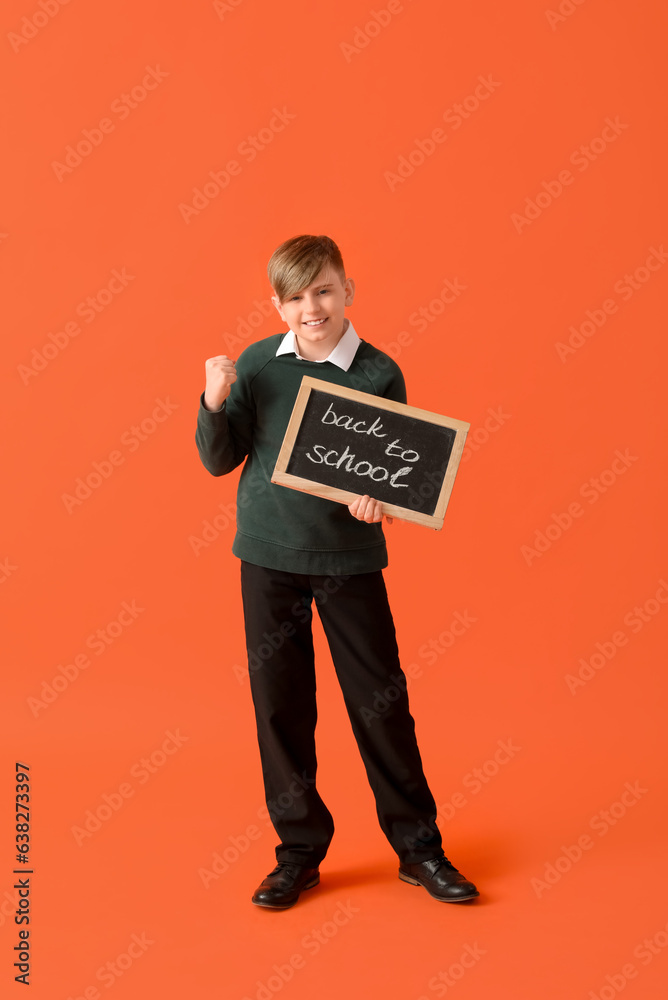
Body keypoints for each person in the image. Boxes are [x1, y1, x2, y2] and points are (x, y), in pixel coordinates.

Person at [195, 234, 478, 908]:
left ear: (347, 290)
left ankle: (420, 850)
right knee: (281, 709)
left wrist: (380, 499)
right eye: (294, 298)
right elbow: (219, 459)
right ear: (277, 305)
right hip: (266, 558)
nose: (310, 307)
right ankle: (297, 854)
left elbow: (402, 477)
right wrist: (213, 400)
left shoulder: (378, 372)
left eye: (322, 291)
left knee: (381, 703)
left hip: (348, 563)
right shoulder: (261, 364)